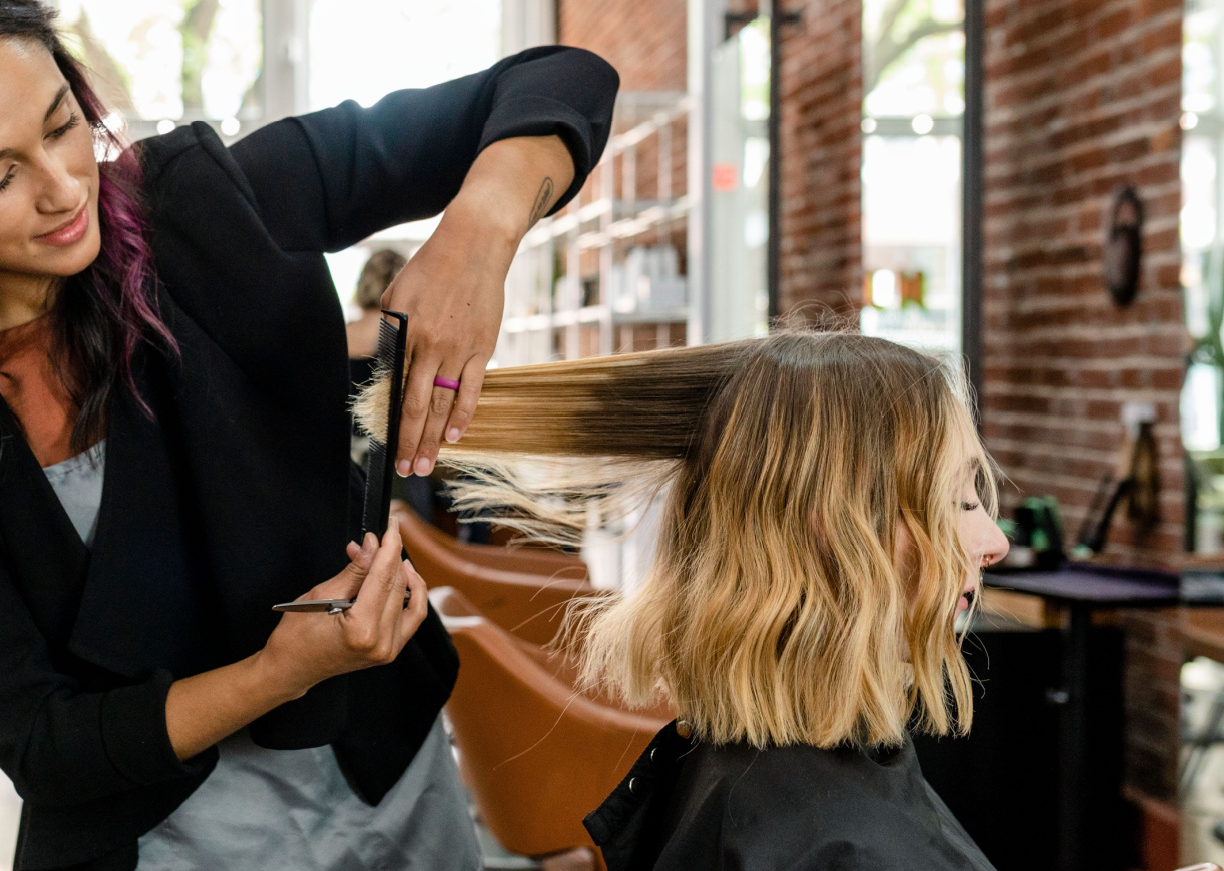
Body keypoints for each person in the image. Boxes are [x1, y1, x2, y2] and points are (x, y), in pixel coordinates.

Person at [0, 0, 619, 871]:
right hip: (158, 841)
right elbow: (44, 743)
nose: (62, 189)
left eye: (61, 125)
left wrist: (478, 235)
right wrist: (276, 674)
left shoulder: (207, 208)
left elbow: (558, 81)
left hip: (386, 782)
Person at [374, 331, 1010, 871]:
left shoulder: (752, 785)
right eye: (957, 502)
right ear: (832, 528)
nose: (995, 542)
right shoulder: (836, 846)